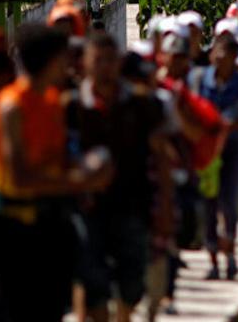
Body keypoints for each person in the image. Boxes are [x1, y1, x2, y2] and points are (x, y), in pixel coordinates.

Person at [0, 24, 112, 322]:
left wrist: (91, 166)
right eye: (64, 57)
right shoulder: (11, 105)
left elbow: (58, 161)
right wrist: (79, 181)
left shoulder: (53, 102)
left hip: (49, 225)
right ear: (49, 60)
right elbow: (20, 178)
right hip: (12, 231)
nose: (70, 64)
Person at [66, 32, 173, 322]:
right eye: (98, 60)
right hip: (88, 208)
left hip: (133, 204)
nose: (105, 67)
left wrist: (165, 204)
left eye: (111, 60)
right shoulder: (71, 107)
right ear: (86, 64)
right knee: (93, 282)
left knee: (131, 283)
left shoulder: (142, 104)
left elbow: (161, 156)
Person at [189, 31, 238, 280]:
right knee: (207, 204)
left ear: (235, 58)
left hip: (232, 148)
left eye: (225, 55)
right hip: (206, 151)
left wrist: (229, 127)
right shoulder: (201, 79)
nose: (219, 59)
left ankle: (229, 256)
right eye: (216, 54)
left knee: (228, 202)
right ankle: (213, 258)